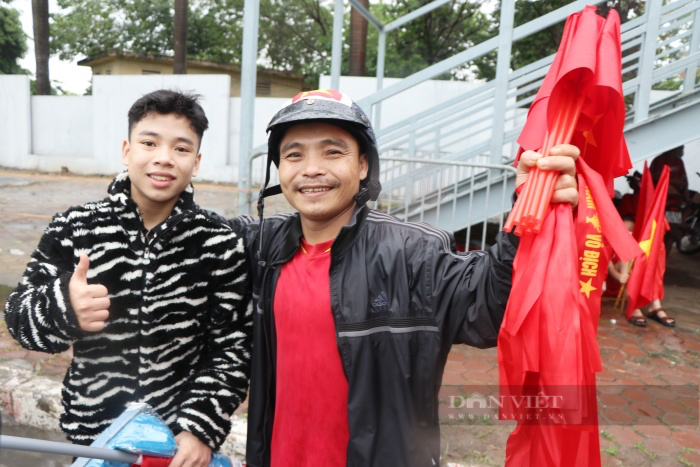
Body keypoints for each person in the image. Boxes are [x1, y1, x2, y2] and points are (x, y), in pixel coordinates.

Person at [236, 89, 580, 466]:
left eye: (333, 152)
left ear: (364, 165)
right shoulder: (260, 246)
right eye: (294, 154)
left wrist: (528, 218)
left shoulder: (412, 252)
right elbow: (186, 240)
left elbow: (491, 308)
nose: (311, 168)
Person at [4, 90, 252, 467]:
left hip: (178, 447)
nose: (164, 158)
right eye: (149, 142)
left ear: (197, 162)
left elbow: (233, 348)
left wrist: (200, 427)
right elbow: (19, 319)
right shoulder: (75, 228)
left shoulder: (218, 243)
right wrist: (64, 309)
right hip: (92, 442)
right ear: (126, 150)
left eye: (181, 149)